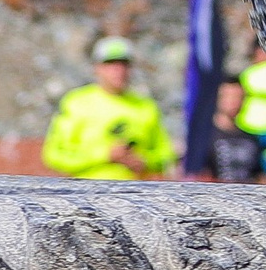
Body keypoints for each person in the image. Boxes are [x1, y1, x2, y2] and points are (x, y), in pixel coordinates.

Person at [44, 37, 175, 181]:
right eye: (110, 64)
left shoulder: (145, 106)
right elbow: (54, 155)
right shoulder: (76, 103)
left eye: (124, 64)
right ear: (97, 68)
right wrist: (105, 155)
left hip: (135, 196)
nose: (119, 70)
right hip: (86, 193)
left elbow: (166, 155)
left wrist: (144, 160)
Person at [211, 80, 266, 185]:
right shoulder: (204, 137)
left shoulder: (251, 138)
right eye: (229, 97)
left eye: (239, 97)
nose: (234, 102)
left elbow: (260, 174)